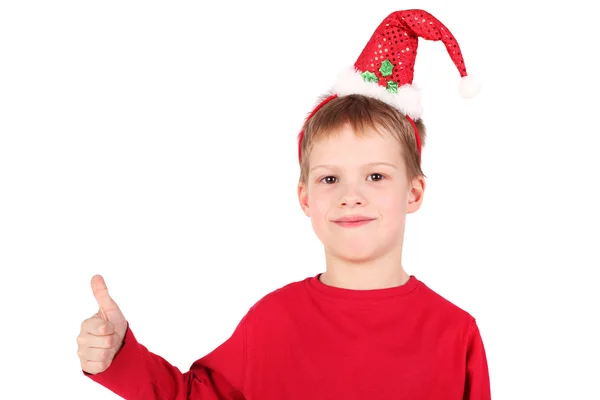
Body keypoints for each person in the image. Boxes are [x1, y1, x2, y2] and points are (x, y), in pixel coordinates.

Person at [77, 8, 490, 399]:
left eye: (376, 176)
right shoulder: (272, 322)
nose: (351, 195)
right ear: (305, 198)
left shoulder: (455, 334)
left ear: (414, 192)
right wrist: (120, 358)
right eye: (330, 178)